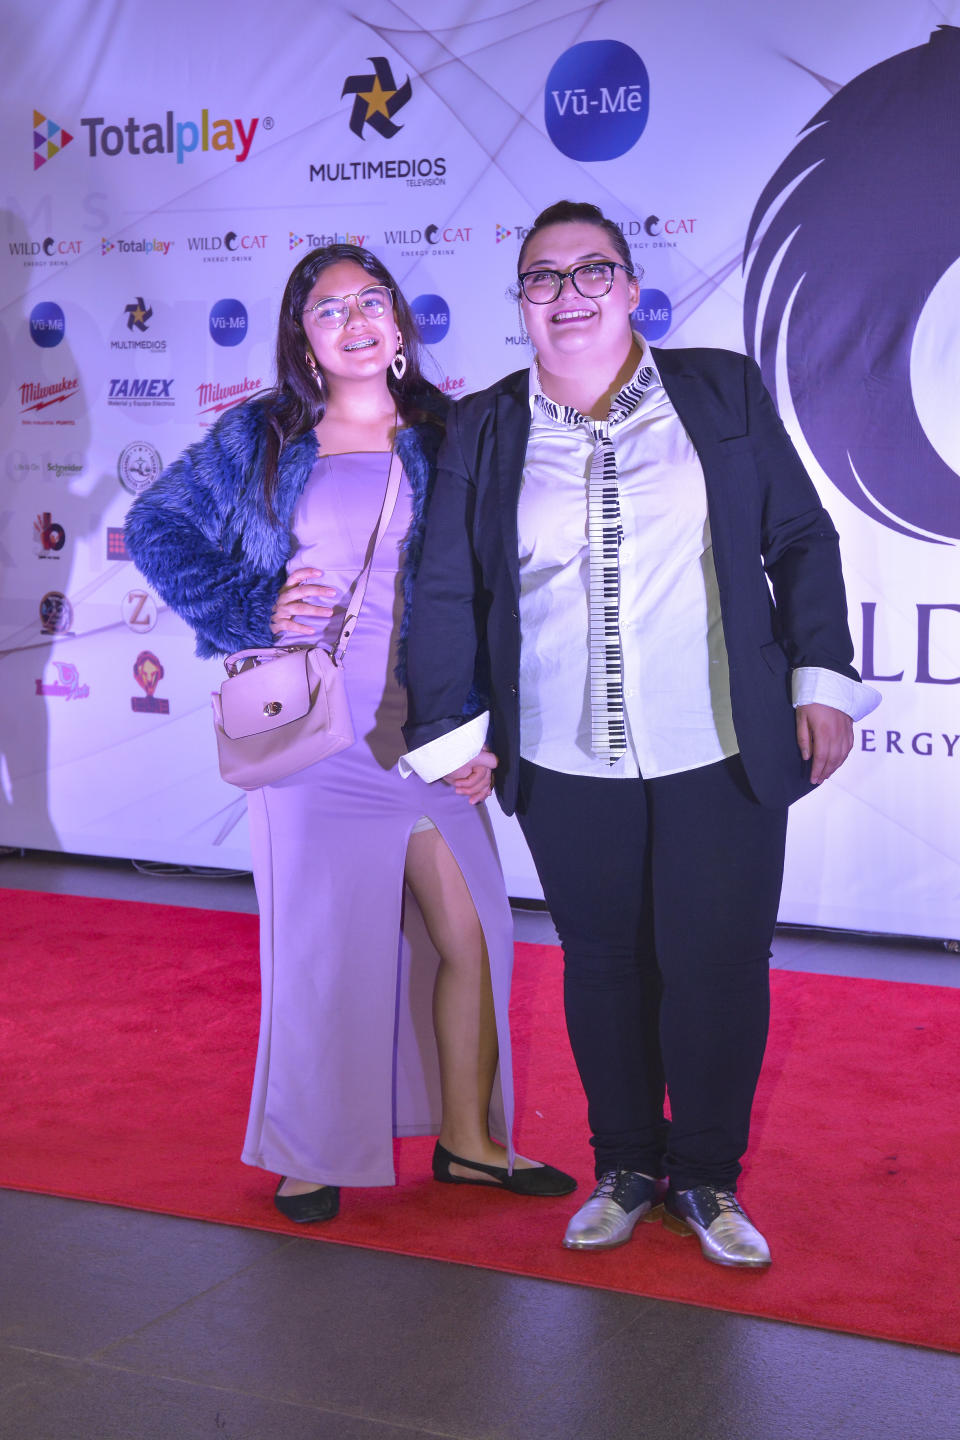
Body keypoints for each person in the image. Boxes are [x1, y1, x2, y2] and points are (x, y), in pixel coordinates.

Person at [401, 201, 879, 1266]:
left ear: (627, 284)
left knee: (715, 963)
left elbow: (798, 537)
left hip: (721, 741)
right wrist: (448, 727)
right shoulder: (484, 424)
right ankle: (624, 1166)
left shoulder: (718, 388)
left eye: (590, 271)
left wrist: (822, 679)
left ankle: (706, 1179)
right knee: (605, 961)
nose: (568, 294)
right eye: (543, 277)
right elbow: (447, 587)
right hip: (565, 755)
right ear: (521, 301)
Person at [125, 243, 574, 1223]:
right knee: (322, 952)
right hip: (313, 739)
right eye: (330, 309)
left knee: (478, 939)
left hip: (426, 733)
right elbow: (156, 526)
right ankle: (309, 1149)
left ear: (399, 324)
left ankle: (470, 1142)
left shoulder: (454, 432)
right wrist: (252, 604)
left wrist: (485, 727)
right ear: (305, 338)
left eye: (372, 300)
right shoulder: (265, 436)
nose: (357, 319)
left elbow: (500, 591)